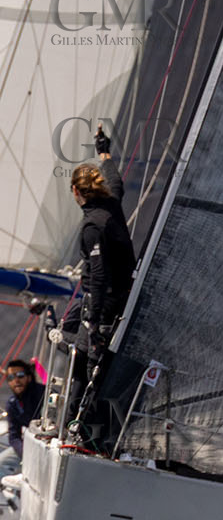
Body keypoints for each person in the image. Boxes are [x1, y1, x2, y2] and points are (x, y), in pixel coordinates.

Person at [50, 127, 135, 436]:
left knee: (85, 363)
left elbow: (97, 276)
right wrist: (104, 153)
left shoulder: (91, 226)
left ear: (76, 191)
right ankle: (82, 428)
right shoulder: (110, 203)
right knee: (81, 355)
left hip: (104, 302)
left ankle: (81, 432)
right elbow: (116, 181)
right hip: (118, 296)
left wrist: (94, 322)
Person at [0, 359, 44, 469]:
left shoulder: (43, 394)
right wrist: (24, 454)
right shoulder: (12, 405)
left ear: (29, 378)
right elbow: (14, 436)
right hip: (29, 446)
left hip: (46, 444)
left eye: (20, 375)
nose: (16, 380)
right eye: (11, 377)